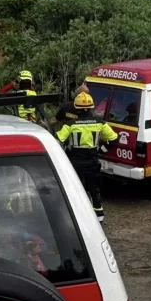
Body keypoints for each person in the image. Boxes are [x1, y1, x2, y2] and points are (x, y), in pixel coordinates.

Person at [56, 92, 118, 222]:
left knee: (78, 188)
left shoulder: (71, 124)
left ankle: (80, 217)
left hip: (76, 161)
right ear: (91, 108)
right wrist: (101, 150)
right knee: (94, 189)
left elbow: (57, 139)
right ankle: (99, 217)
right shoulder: (99, 123)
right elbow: (113, 139)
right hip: (92, 160)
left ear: (76, 108)